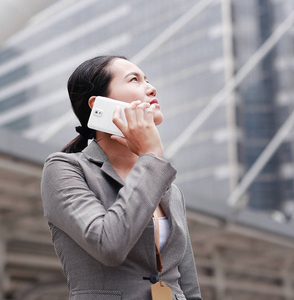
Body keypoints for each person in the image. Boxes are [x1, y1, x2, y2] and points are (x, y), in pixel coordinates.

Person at [41, 55, 202, 300]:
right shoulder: (65, 169)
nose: (151, 87)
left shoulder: (169, 189)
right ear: (98, 105)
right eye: (134, 79)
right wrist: (149, 156)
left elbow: (188, 284)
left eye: (147, 79)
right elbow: (109, 245)